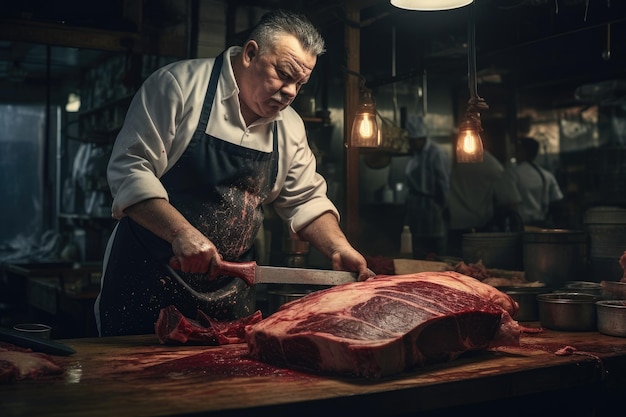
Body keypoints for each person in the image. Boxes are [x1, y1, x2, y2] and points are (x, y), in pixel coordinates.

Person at [94, 10, 374, 337]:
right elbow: (131, 170)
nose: (290, 92)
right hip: (146, 285)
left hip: (229, 298)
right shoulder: (178, 87)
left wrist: (338, 248)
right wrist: (180, 233)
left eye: (300, 83)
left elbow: (306, 199)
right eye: (283, 74)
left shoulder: (290, 127)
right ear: (250, 53)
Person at [446, 148, 522, 257]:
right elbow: (512, 201)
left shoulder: (459, 161)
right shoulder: (493, 166)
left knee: (456, 268)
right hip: (481, 233)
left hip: (455, 229)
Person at [403, 115, 451, 259]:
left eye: (412, 141)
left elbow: (443, 182)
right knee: (417, 250)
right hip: (415, 208)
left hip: (432, 207)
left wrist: (444, 204)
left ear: (420, 138)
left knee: (434, 251)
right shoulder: (416, 154)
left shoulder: (436, 154)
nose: (410, 144)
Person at [506, 136, 564, 228]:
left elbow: (510, 202)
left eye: (518, 150)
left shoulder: (512, 173)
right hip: (542, 226)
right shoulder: (547, 175)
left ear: (523, 151)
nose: (515, 153)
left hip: (521, 227)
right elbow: (557, 200)